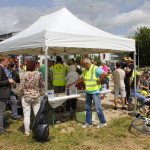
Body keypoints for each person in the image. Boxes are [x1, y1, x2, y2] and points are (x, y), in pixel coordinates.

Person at [67, 58, 107, 128]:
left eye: (83, 64)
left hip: (95, 91)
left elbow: (105, 74)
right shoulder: (85, 70)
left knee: (98, 108)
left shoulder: (95, 68)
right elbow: (81, 78)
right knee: (87, 107)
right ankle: (89, 123)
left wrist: (100, 80)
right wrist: (72, 84)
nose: (82, 66)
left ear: (87, 63)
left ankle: (103, 122)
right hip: (88, 91)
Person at [19, 60, 45, 136]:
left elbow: (21, 87)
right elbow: (43, 84)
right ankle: (38, 130)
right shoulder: (38, 74)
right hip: (36, 95)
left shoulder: (24, 74)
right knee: (37, 114)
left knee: (26, 115)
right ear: (34, 66)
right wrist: (39, 90)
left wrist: (20, 93)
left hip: (26, 96)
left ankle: (27, 132)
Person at [0, 54, 15, 134]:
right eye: (7, 61)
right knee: (1, 112)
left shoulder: (2, 68)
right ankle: (1, 130)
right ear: (2, 61)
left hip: (3, 93)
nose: (8, 62)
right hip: (2, 93)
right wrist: (8, 81)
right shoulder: (0, 68)